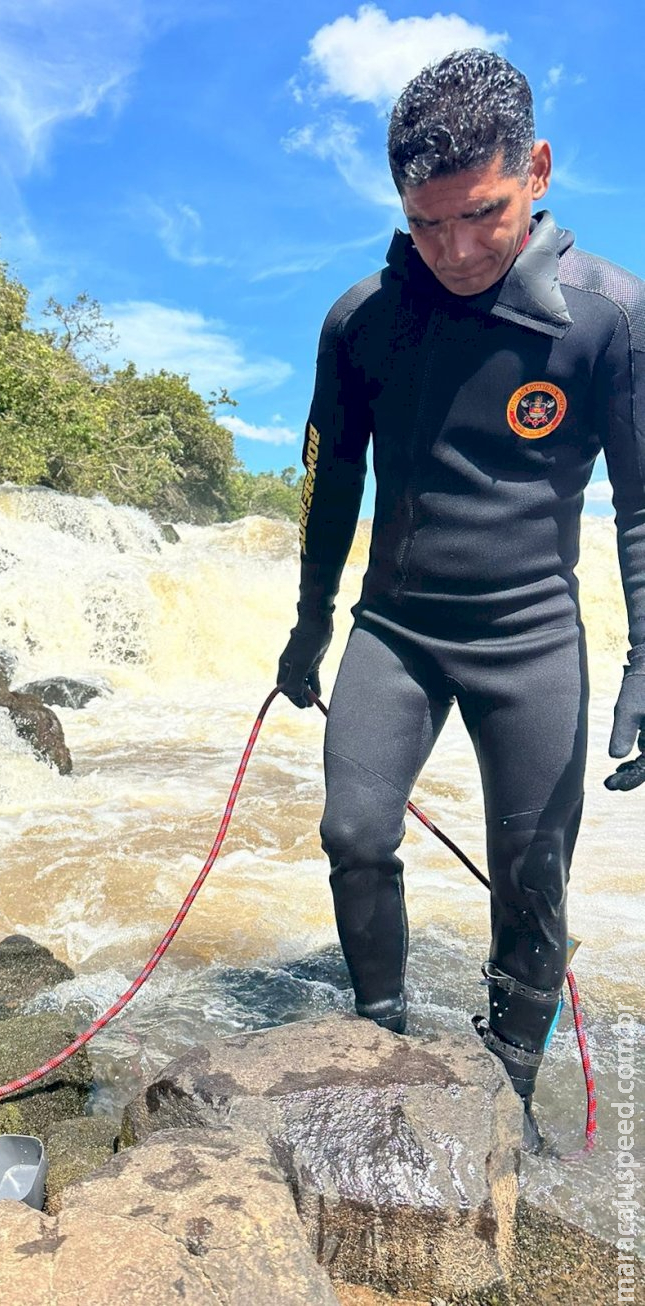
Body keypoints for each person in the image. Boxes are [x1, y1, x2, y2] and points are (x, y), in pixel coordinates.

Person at [277, 49, 645, 1147]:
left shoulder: (606, 317)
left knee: (532, 876)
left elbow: (638, 507)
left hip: (530, 636)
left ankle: (509, 1092)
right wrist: (307, 623)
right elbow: (329, 486)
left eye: (479, 215)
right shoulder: (361, 321)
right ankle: (379, 1040)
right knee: (351, 828)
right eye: (424, 223)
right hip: (393, 628)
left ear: (532, 170)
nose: (452, 250)